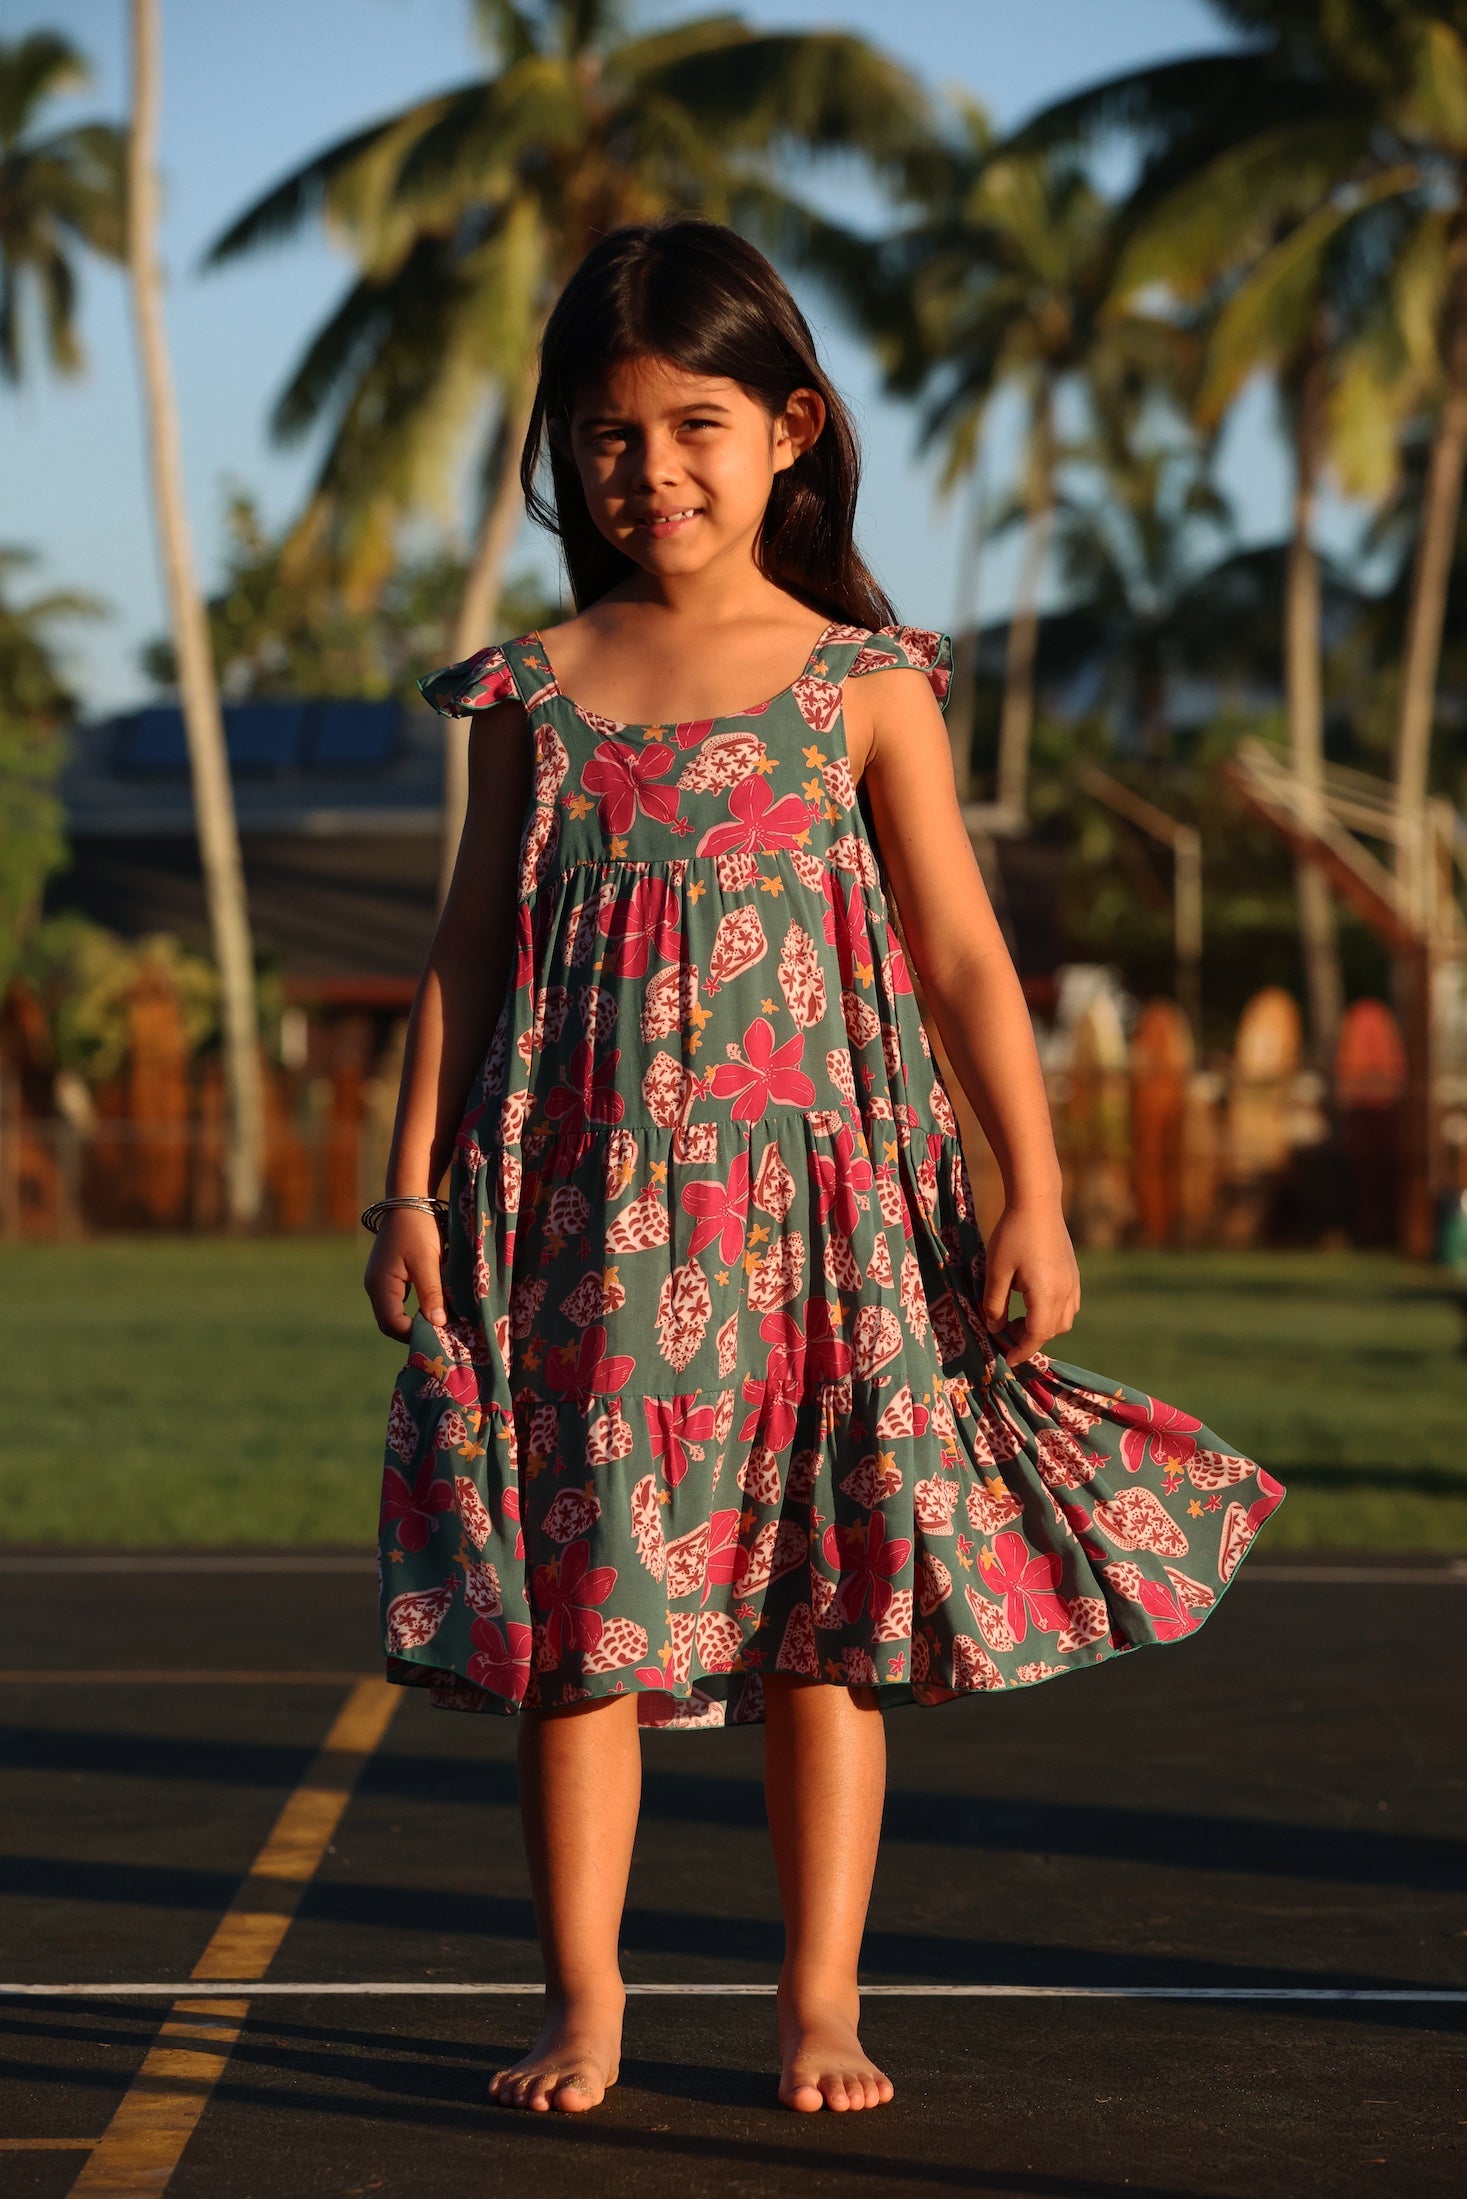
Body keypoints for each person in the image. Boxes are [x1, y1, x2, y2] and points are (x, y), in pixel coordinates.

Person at [363, 217, 1284, 2119]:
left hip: (824, 1227)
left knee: (818, 1627)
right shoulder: (529, 692)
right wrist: (405, 1192)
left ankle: (817, 2004)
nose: (652, 471)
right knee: (583, 1627)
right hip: (580, 1234)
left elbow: (963, 959)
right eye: (606, 436)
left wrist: (1033, 1189)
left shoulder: (863, 683)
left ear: (791, 428)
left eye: (696, 423)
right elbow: (464, 955)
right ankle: (589, 2005)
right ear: (563, 454)